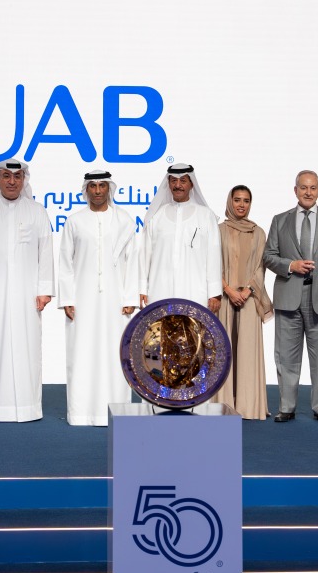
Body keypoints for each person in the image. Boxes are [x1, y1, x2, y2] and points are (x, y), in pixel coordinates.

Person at [0, 159, 54, 422]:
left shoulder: (37, 211)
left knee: (27, 347)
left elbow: (45, 251)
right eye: (7, 176)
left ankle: (27, 407)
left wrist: (45, 289)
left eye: (17, 176)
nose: (12, 181)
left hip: (28, 295)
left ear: (24, 179)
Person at [57, 170, 139, 426]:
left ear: (109, 188)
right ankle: (81, 413)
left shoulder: (124, 220)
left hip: (116, 300)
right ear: (86, 189)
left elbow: (132, 260)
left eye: (102, 185)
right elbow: (65, 263)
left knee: (116, 352)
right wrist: (67, 297)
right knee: (82, 352)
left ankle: (115, 411)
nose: (97, 191)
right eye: (92, 186)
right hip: (82, 299)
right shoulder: (75, 221)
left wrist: (130, 296)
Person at [263, 170, 318, 424]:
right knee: (286, 356)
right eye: (303, 187)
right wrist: (291, 265)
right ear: (295, 190)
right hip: (289, 295)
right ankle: (286, 407)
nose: (308, 192)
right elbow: (268, 256)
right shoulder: (280, 220)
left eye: (313, 188)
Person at [214, 185, 273, 420]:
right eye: (237, 200)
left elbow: (261, 266)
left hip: (249, 297)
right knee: (224, 348)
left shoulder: (258, 232)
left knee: (247, 350)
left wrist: (247, 290)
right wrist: (228, 289)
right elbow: (212, 263)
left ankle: (248, 405)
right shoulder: (217, 230)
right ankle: (223, 403)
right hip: (225, 296)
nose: (241, 205)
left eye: (246, 201)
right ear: (230, 202)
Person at [139, 163, 222, 313]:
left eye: (183, 181)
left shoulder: (205, 215)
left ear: (191, 184)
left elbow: (214, 256)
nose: (178, 185)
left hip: (195, 293)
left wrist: (214, 292)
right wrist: (142, 287)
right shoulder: (156, 216)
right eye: (173, 181)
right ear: (168, 183)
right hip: (160, 291)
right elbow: (145, 255)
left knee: (193, 335)